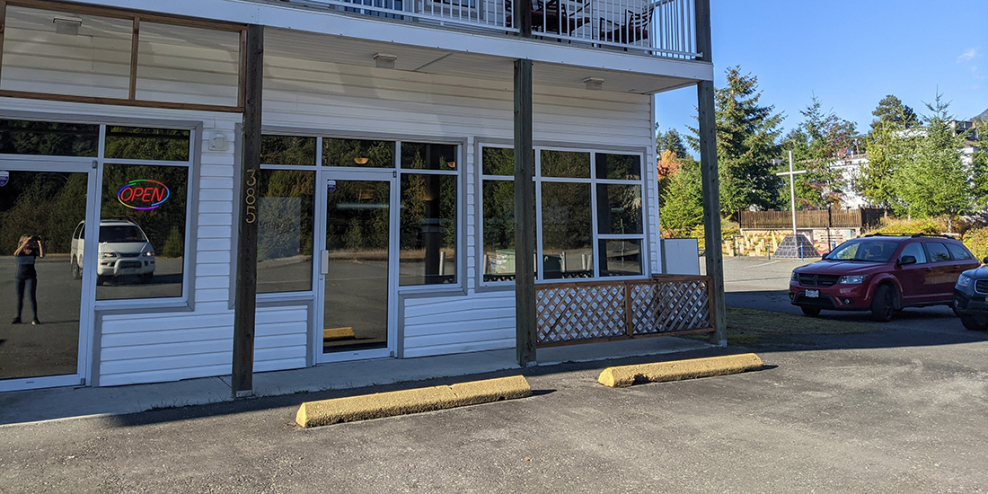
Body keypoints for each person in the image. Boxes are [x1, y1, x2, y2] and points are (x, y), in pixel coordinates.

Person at [12, 234, 43, 325]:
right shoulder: (20, 251)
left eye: (29, 241)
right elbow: (15, 254)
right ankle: (18, 317)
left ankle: (35, 317)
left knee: (31, 297)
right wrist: (24, 243)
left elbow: (41, 255)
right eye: (27, 241)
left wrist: (39, 244)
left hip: (31, 277)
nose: (28, 243)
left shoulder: (33, 251)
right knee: (20, 298)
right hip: (19, 277)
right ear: (22, 242)